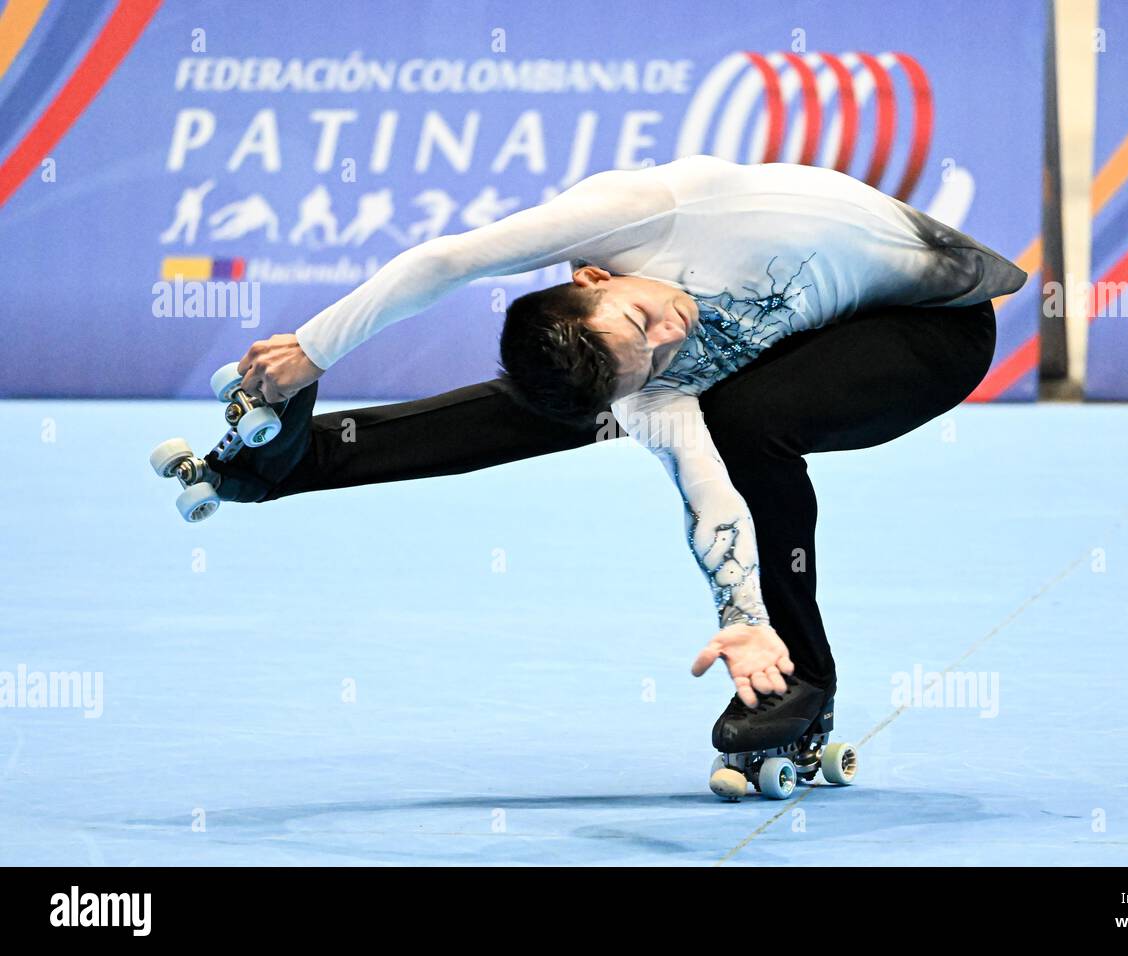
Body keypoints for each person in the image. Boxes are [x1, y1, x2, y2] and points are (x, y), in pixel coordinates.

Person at [213, 154, 1026, 757]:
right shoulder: (648, 385)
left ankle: (806, 677)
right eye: (653, 355)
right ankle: (304, 458)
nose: (673, 334)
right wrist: (740, 621)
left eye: (641, 321)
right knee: (587, 403)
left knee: (743, 419)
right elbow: (710, 501)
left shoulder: (636, 210)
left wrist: (315, 348)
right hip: (816, 328)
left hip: (937, 324)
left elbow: (447, 260)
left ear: (598, 275)